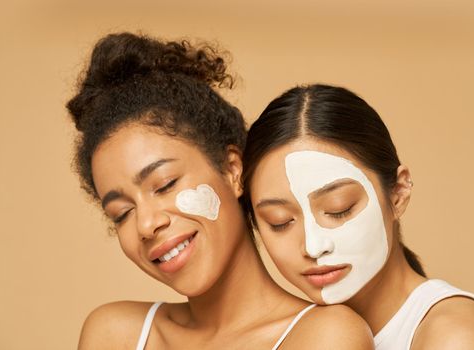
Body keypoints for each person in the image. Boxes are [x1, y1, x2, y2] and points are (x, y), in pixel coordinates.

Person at [66, 34, 374, 349]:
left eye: (165, 185)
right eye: (122, 213)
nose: (145, 225)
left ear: (232, 170)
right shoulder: (115, 335)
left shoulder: (325, 336)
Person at [242, 84, 474, 349]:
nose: (313, 245)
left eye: (339, 209)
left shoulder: (454, 337)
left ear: (398, 193)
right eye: (280, 222)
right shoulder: (299, 337)